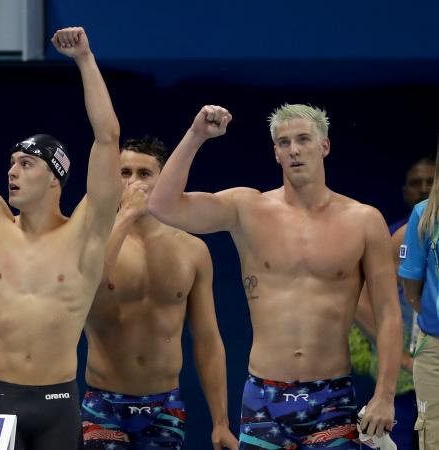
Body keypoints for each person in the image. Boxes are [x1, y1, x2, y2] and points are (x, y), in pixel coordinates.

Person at [148, 104, 402, 449]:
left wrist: (385, 394)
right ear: (276, 153)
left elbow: (388, 313)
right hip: (264, 397)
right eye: (284, 143)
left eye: (303, 140)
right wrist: (196, 135)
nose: (294, 149)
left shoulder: (364, 221)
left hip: (331, 397)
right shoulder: (247, 209)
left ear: (324, 146)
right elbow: (162, 205)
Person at [0, 16, 122, 450]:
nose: (11, 171)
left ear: (55, 178)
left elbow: (108, 138)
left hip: (58, 402)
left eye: (26, 164)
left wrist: (85, 60)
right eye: (12, 162)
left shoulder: (86, 232)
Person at [82, 136, 239, 450]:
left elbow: (208, 340)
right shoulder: (91, 241)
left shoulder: (193, 251)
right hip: (104, 406)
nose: (133, 183)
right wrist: (125, 215)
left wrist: (220, 422)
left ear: (162, 180)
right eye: (124, 174)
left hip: (165, 408)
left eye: (144, 174)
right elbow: (88, 285)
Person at [351, 157, 435, 450]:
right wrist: (401, 357)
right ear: (405, 191)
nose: (424, 188)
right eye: (416, 183)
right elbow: (358, 298)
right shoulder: (394, 237)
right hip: (404, 377)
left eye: (431, 182)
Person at [399, 142, 439, 450]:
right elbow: (409, 286)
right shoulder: (422, 217)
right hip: (431, 346)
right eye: (416, 183)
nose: (423, 187)